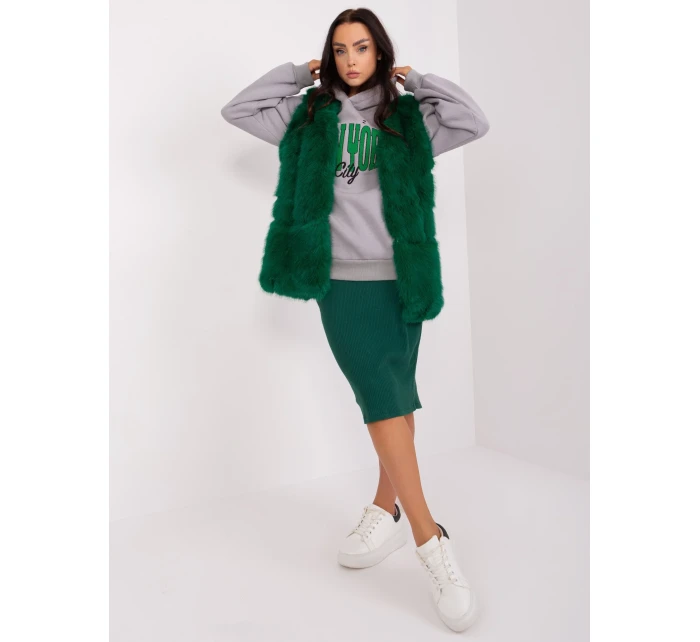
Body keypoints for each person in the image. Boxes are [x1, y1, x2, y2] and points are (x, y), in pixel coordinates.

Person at [220, 8, 490, 633]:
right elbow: (238, 109)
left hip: (403, 276)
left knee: (396, 396)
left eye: (362, 47)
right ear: (329, 56)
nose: (349, 60)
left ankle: (384, 510)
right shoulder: (307, 118)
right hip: (341, 282)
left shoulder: (408, 120)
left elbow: (472, 120)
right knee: (380, 399)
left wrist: (418, 80)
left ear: (380, 52)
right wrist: (297, 73)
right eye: (339, 49)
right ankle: (430, 541)